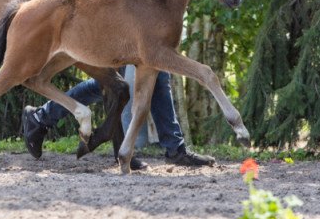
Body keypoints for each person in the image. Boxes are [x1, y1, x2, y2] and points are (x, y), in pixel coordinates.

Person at [22, 67, 216, 169]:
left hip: (144, 16)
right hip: (124, 13)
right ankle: (41, 116)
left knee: (157, 77)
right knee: (113, 84)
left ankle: (174, 149)